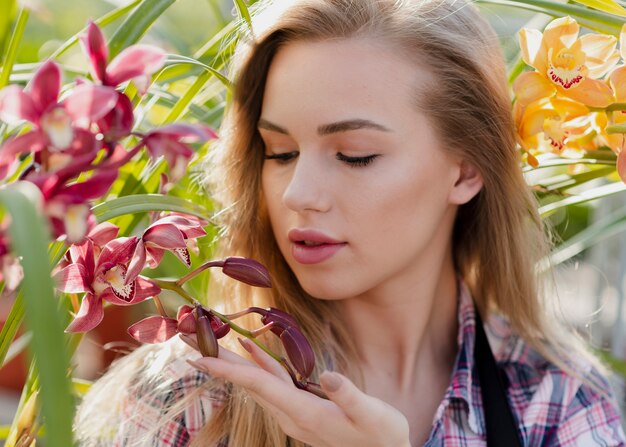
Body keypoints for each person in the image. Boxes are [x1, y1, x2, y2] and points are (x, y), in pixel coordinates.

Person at [74, 0, 626, 445]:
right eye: (279, 152)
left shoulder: (557, 399)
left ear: (467, 169)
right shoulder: (191, 396)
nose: (299, 194)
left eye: (355, 155)